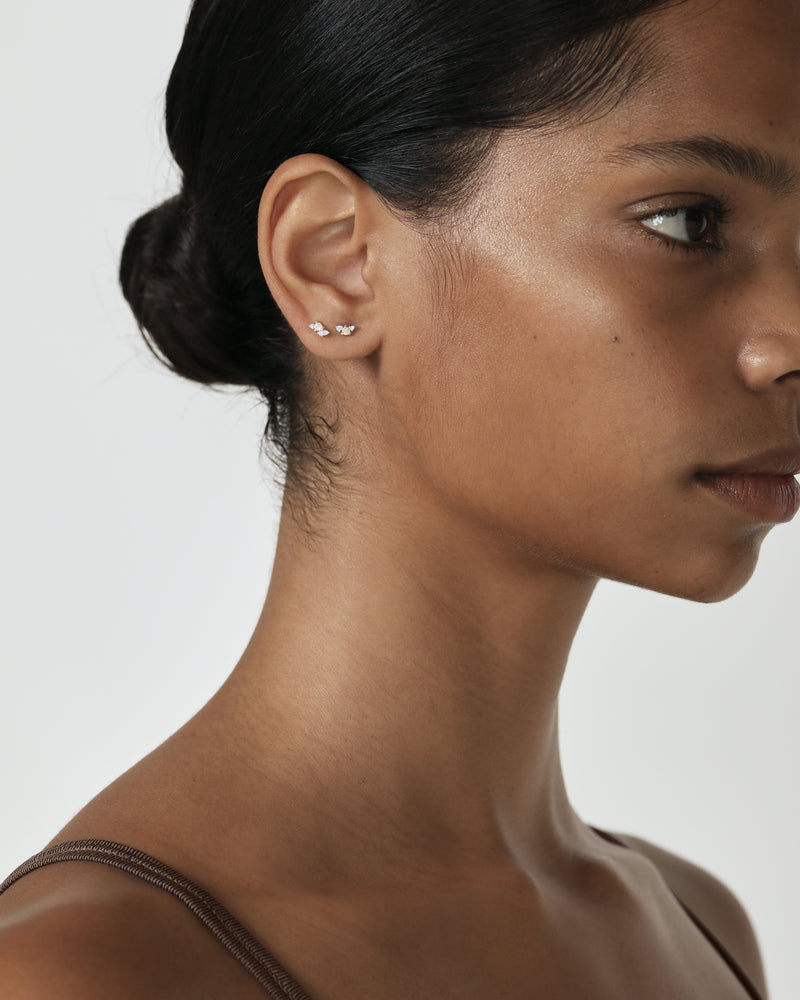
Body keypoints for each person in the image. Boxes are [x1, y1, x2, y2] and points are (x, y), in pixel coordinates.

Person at [0, 0, 795, 995]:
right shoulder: (83, 976)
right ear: (334, 259)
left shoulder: (701, 927)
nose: (785, 339)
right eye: (688, 222)